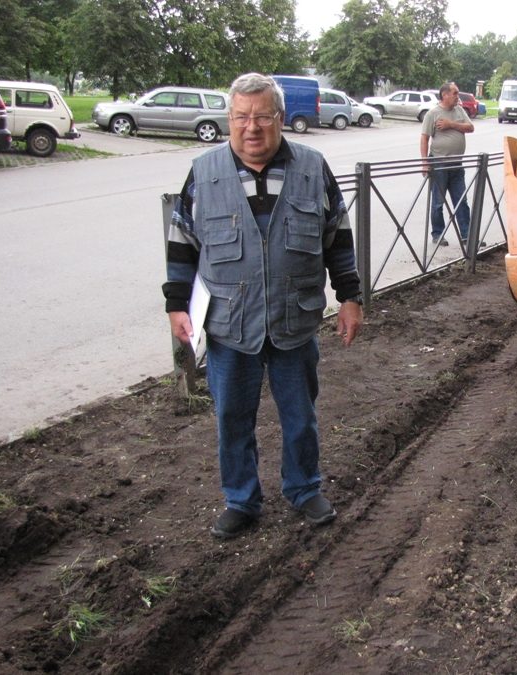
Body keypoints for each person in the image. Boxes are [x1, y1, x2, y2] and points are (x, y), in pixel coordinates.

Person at [162, 73, 364, 538]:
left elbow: (338, 237)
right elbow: (183, 244)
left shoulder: (313, 168)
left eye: (262, 117)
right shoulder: (205, 172)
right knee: (232, 418)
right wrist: (178, 304)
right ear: (229, 119)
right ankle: (241, 500)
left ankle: (304, 488)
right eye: (241, 117)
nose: (251, 127)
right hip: (230, 323)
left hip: (294, 318)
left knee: (300, 415)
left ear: (279, 119)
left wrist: (349, 297)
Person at [421, 81, 474, 247]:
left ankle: (467, 235)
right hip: (440, 163)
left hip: (456, 164)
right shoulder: (433, 114)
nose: (458, 96)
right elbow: (424, 138)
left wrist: (451, 124)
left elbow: (470, 127)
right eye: (455, 93)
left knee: (461, 201)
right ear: (445, 95)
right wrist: (424, 163)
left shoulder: (459, 110)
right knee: (438, 202)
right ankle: (438, 234)